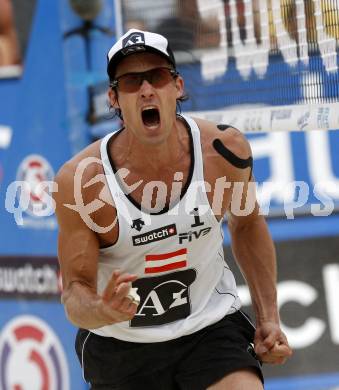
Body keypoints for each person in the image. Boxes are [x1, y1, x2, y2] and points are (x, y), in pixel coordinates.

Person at [54, 28, 292, 390]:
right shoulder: (82, 181)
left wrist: (269, 318)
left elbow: (247, 225)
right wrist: (101, 309)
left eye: (158, 76)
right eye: (132, 81)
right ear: (114, 98)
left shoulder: (224, 151)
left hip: (208, 329)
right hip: (122, 345)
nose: (147, 89)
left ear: (177, 86)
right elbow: (74, 291)